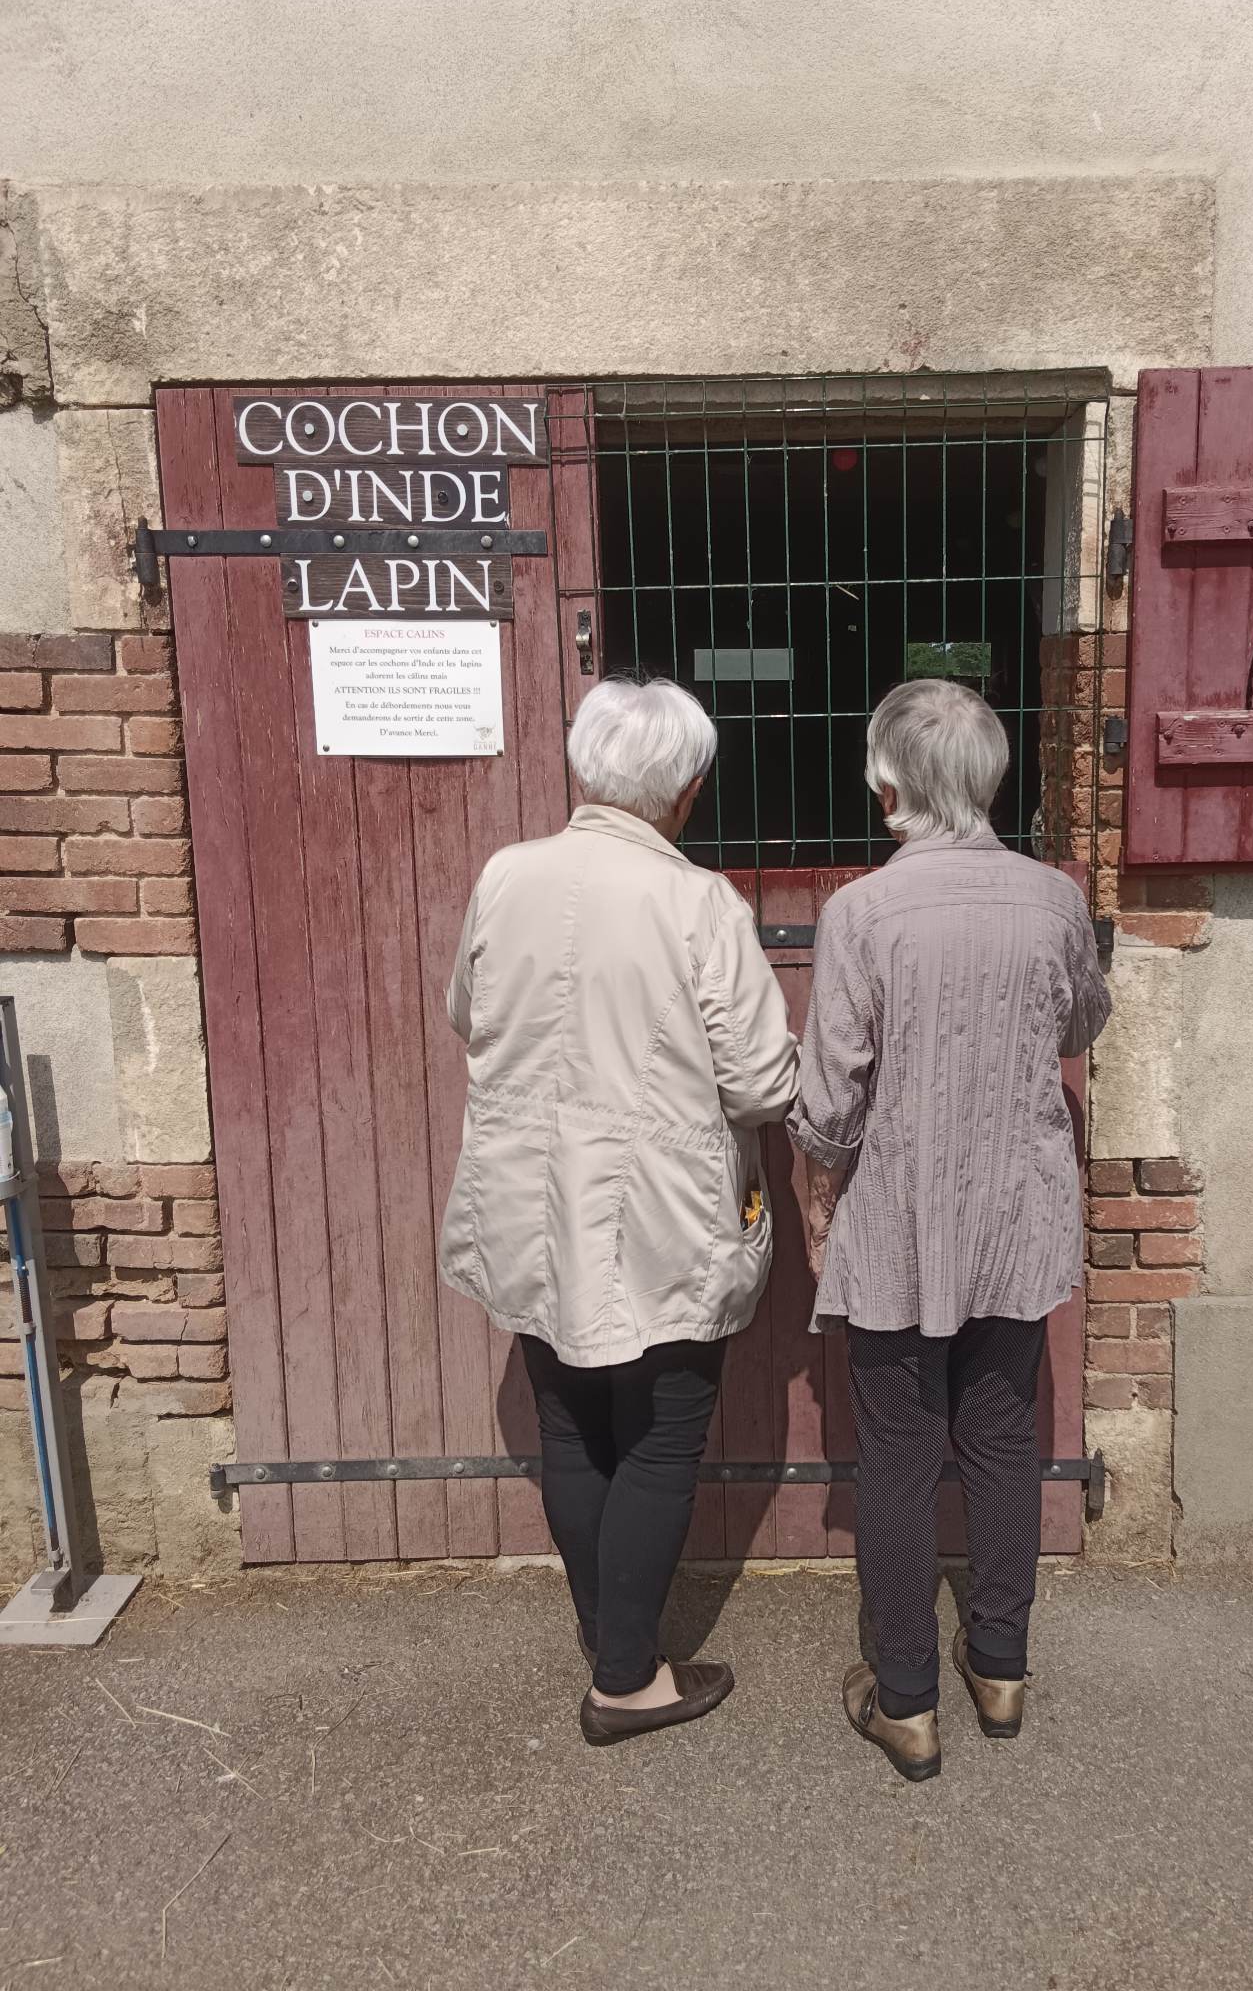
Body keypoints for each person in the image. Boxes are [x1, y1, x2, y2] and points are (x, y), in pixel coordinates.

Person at [439, 677, 798, 1745]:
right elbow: (761, 1084)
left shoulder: (506, 875)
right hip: (660, 1204)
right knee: (661, 1434)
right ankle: (627, 1678)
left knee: (570, 1422)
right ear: (689, 789)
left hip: (531, 1189)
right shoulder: (699, 902)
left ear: (583, 768)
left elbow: (466, 1011)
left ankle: (613, 1640)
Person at [788, 679, 1111, 1782]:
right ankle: (1002, 1666)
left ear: (889, 788)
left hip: (900, 1215)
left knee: (896, 1451)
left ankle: (907, 1699)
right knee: (1005, 1437)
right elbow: (1081, 1022)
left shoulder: (861, 912)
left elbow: (831, 1096)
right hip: (1016, 1213)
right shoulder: (1057, 900)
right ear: (990, 780)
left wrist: (817, 1200)